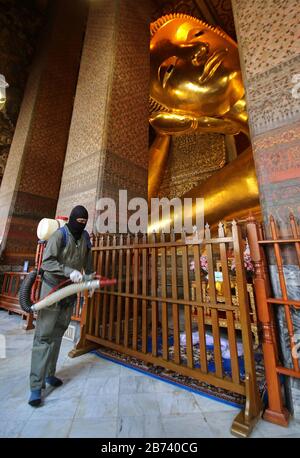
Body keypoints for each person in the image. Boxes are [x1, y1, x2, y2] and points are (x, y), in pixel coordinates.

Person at [28, 205, 94, 407]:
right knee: (44, 337)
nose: (80, 225)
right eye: (78, 221)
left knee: (58, 334)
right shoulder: (59, 235)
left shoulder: (85, 238)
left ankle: (49, 374)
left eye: (84, 222)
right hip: (52, 290)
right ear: (72, 219)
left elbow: (88, 264)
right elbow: (46, 263)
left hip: (69, 293)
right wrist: (68, 271)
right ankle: (35, 387)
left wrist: (89, 282)